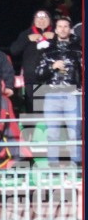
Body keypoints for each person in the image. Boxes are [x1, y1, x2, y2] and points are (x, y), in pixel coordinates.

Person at [35, 15, 82, 163]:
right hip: (52, 94)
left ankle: (77, 166)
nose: (63, 29)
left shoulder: (79, 49)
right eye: (60, 26)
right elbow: (38, 74)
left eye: (66, 26)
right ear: (55, 29)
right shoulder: (47, 49)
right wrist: (52, 66)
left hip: (72, 94)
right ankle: (53, 167)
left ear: (70, 29)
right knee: (52, 133)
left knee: (74, 133)